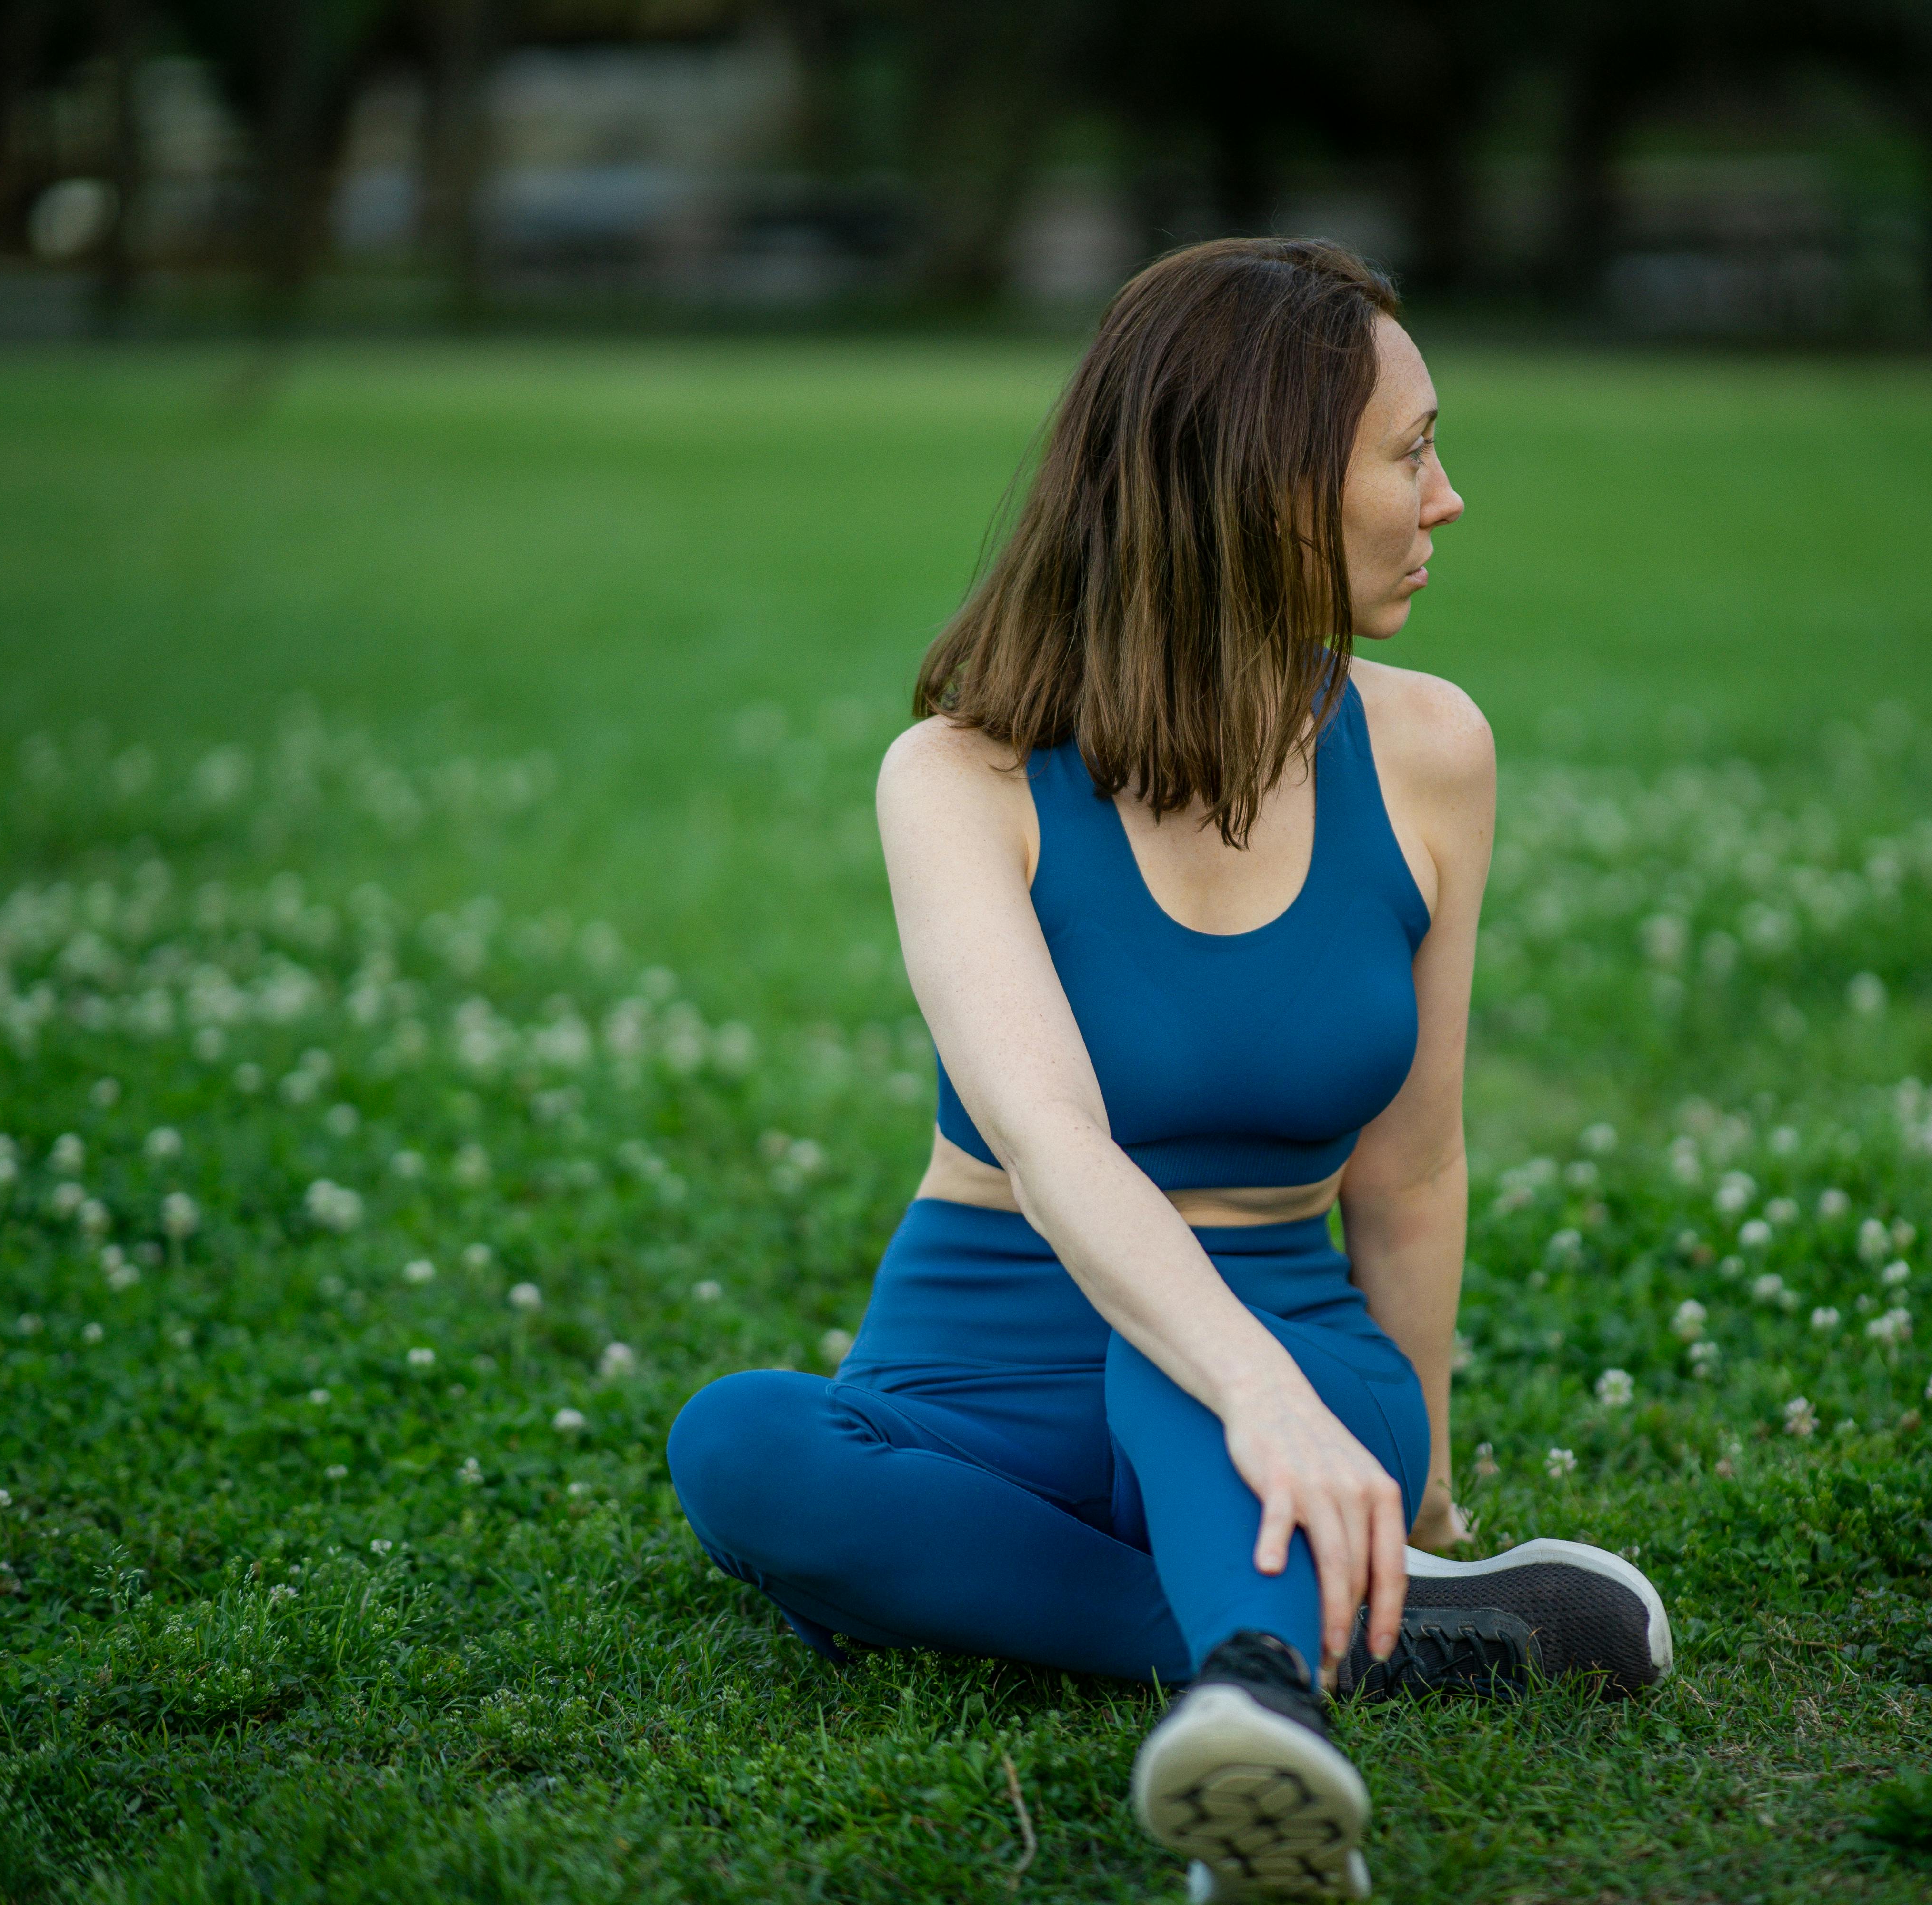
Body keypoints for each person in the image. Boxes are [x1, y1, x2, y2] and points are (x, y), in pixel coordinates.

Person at [666, 237, 1667, 1901]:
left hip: (1291, 1336)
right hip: (986, 1371)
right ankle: (1353, 1632)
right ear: (1269, 490)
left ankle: (1263, 1701)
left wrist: (1401, 1469)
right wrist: (1259, 1395)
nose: (1450, 499)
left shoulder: (1431, 754)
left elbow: (1412, 1171)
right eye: (1410, 455)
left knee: (1198, 1368)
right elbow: (1055, 1147)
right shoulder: (958, 777)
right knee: (742, 1445)